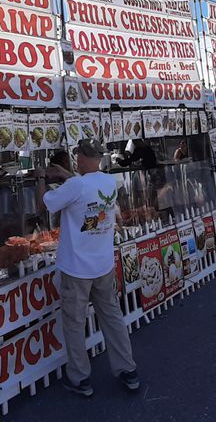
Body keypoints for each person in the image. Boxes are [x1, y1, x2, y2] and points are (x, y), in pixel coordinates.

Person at [38, 139, 139, 396]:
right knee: (112, 317)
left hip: (76, 269)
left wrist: (40, 178)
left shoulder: (76, 185)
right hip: (102, 265)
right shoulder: (106, 182)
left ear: (81, 157)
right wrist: (64, 174)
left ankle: (80, 378)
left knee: (74, 323)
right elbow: (84, 187)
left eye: (77, 156)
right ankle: (127, 369)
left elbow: (47, 203)